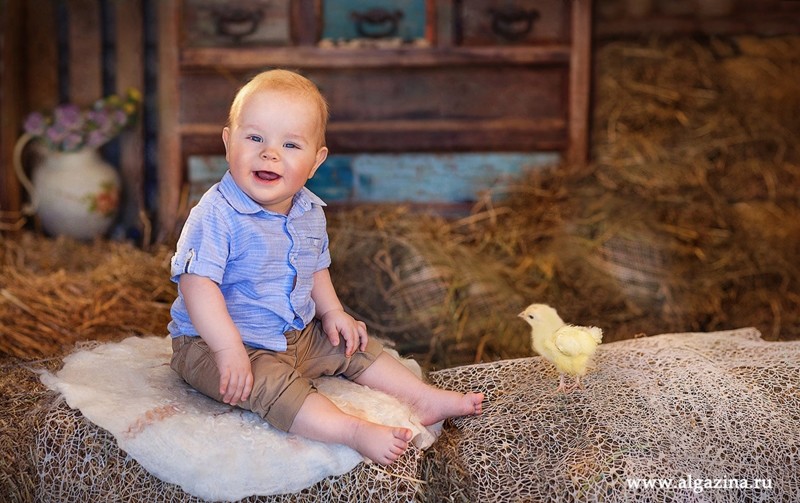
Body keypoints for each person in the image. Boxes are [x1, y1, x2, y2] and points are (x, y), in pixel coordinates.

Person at [168, 69, 483, 465]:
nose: (270, 153)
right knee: (268, 385)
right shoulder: (216, 214)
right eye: (255, 138)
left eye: (290, 144)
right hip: (214, 345)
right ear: (228, 142)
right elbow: (198, 285)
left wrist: (333, 312)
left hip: (294, 335)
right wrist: (227, 348)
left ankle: (422, 398)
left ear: (316, 162)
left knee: (350, 342)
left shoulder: (308, 210)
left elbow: (314, 266)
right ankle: (351, 430)